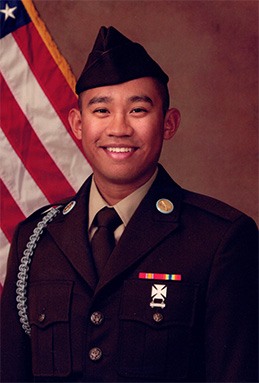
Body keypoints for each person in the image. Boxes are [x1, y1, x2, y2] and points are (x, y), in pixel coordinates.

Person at [1, 26, 258, 383]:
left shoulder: (219, 241)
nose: (119, 128)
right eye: (102, 110)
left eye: (138, 109)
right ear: (77, 124)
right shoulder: (35, 239)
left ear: (168, 124)